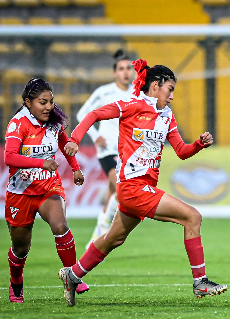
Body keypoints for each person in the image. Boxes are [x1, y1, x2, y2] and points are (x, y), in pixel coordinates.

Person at [58, 59, 228, 307]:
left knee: (112, 239)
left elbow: (181, 150)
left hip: (140, 189)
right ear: (156, 85)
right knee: (192, 217)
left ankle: (72, 275)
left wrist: (199, 144)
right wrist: (74, 138)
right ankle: (200, 282)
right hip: (133, 187)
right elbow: (94, 114)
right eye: (170, 90)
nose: (171, 97)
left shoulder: (167, 116)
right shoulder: (132, 105)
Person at [4, 78, 89, 303]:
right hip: (21, 192)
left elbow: (64, 144)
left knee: (60, 226)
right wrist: (41, 163)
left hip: (48, 185)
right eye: (43, 102)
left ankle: (73, 276)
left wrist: (76, 168)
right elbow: (9, 157)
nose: (49, 107)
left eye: (51, 101)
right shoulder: (18, 123)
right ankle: (16, 282)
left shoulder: (53, 120)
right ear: (28, 102)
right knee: (20, 247)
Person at [76, 49, 134, 247]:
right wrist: (95, 135)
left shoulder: (137, 92)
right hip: (108, 149)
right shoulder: (104, 92)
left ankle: (95, 238)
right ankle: (104, 233)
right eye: (122, 69)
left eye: (129, 68)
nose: (126, 72)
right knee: (119, 187)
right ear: (115, 73)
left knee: (112, 193)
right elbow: (82, 113)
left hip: (128, 150)